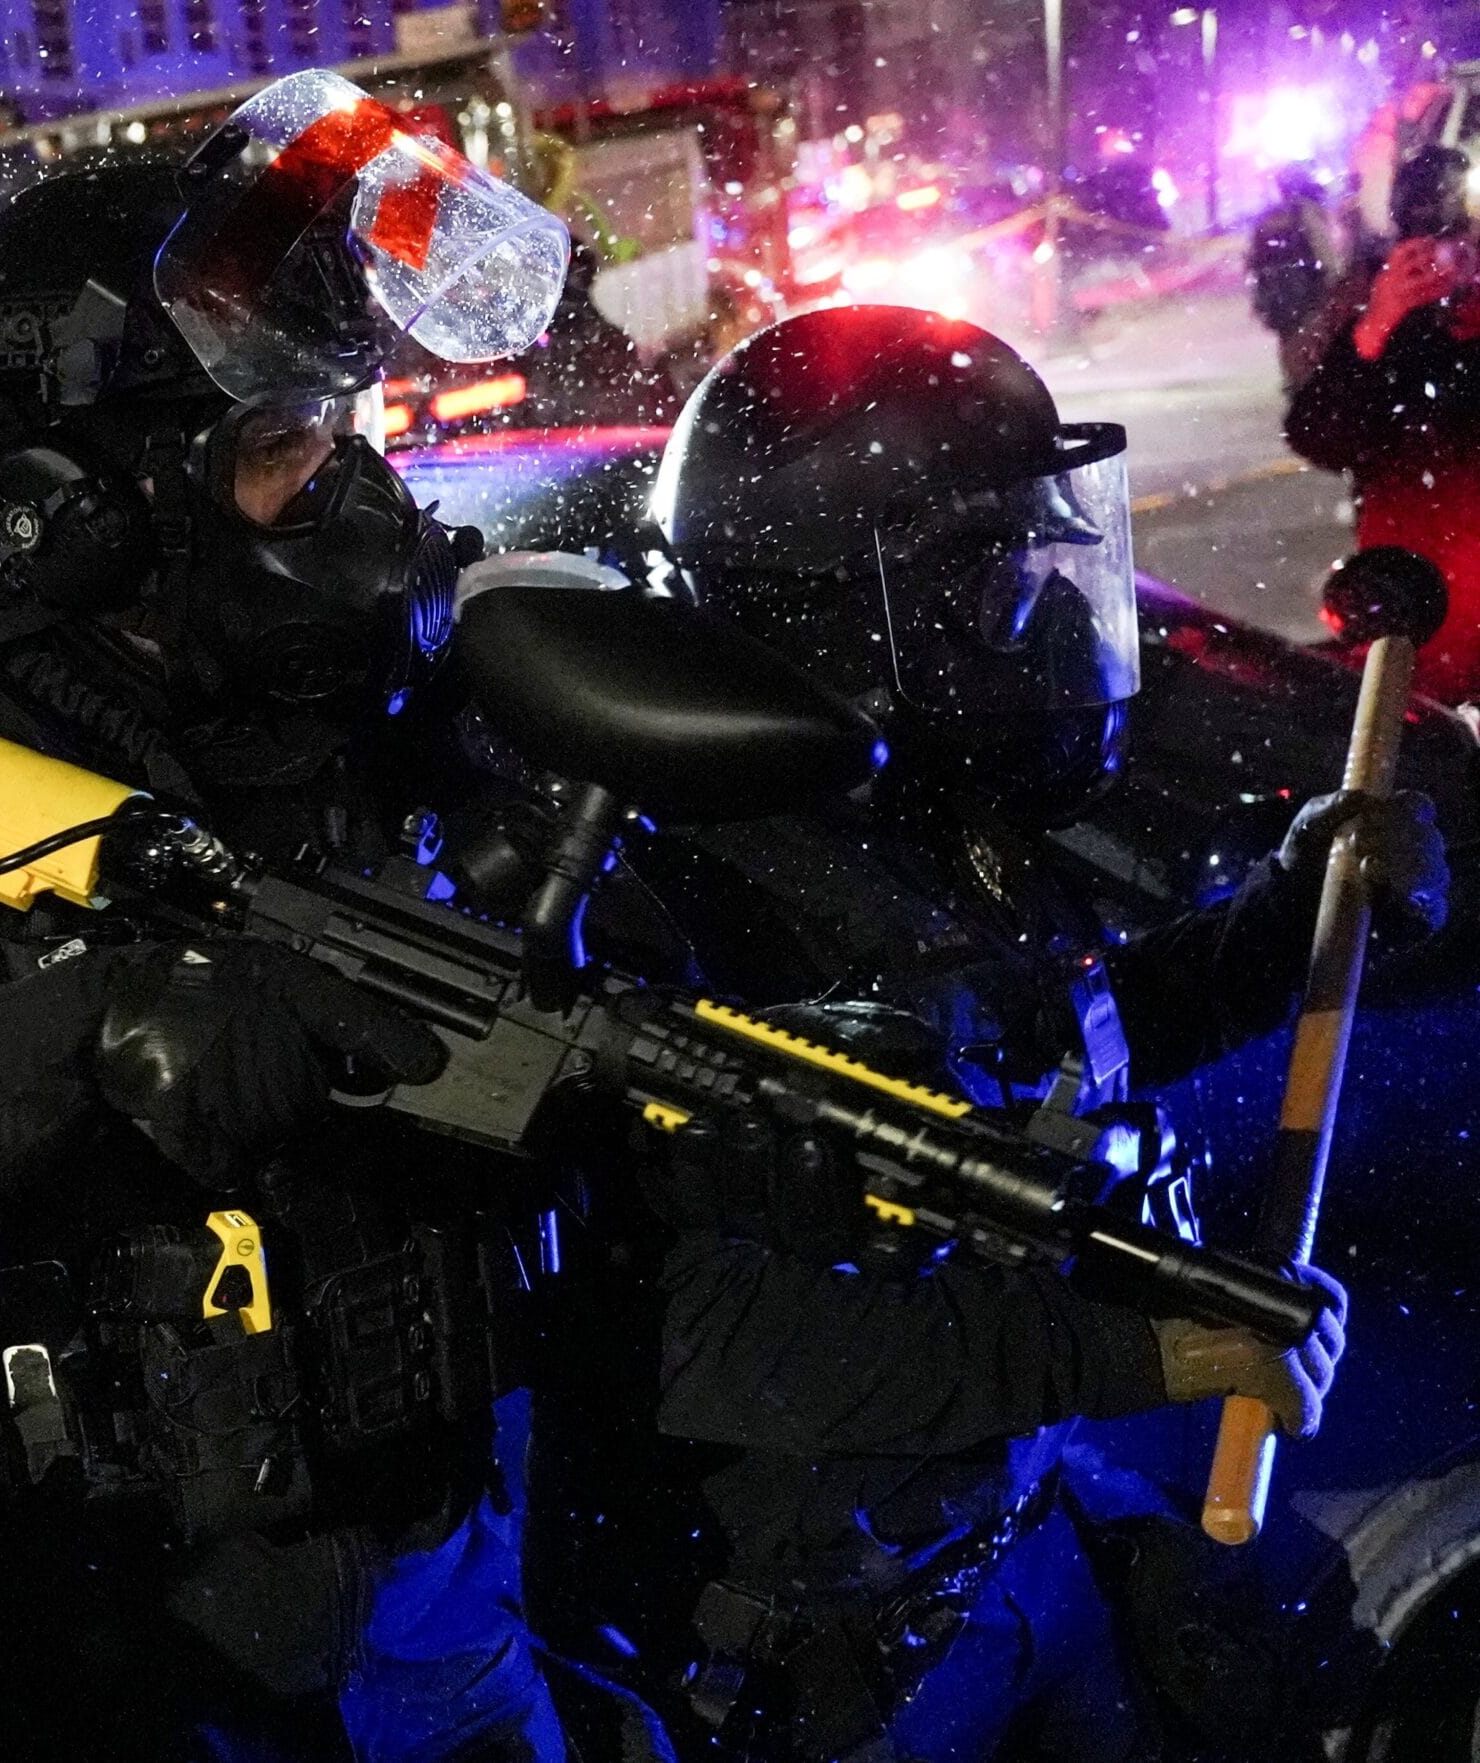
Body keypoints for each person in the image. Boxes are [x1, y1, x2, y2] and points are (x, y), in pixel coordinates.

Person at [0, 73, 587, 1761]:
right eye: (288, 442)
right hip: (110, 1675)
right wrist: (51, 1045)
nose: (353, 494)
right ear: (97, 495)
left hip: (447, 1613)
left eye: (355, 429)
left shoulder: (371, 731)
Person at [621, 304, 1447, 1761]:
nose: (1045, 606)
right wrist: (1138, 1353)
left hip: (1000, 1535)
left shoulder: (909, 829)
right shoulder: (694, 902)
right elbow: (708, 1335)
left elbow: (1044, 1054)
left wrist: (1288, 917)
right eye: (995, 571)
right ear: (837, 611)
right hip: (845, 1664)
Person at [1288, 145, 1480, 703]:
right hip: (1413, 601)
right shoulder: (1372, 305)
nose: (1447, 263)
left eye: (1461, 246)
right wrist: (1376, 328)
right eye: (1430, 249)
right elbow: (1318, 437)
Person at [1248, 165, 1342, 390]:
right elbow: (1323, 252)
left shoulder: (1268, 217)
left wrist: (1260, 296)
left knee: (1287, 338)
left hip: (1277, 294)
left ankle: (1293, 382)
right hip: (1307, 289)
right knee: (1313, 337)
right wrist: (1335, 282)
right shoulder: (1305, 212)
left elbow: (1254, 259)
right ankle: (1311, 387)